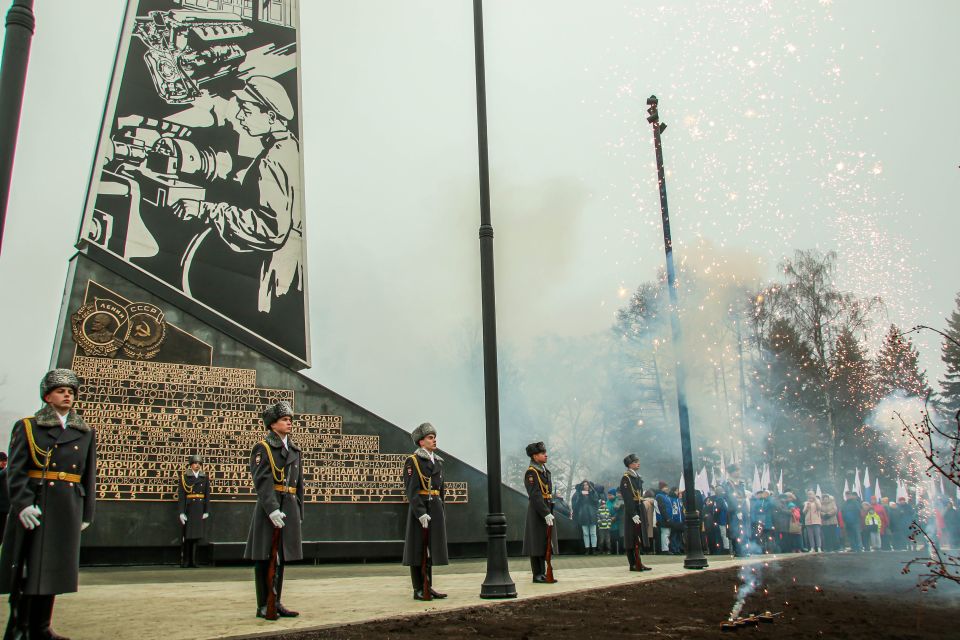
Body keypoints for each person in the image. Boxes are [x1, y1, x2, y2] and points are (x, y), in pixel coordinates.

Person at [173, 76, 304, 349]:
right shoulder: (288, 147)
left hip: (279, 272)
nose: (240, 116)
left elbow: (271, 229)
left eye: (247, 109)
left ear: (270, 116)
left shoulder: (273, 159)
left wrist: (206, 209)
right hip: (287, 268)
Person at [0, 369, 97, 640]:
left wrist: (86, 512)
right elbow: (16, 471)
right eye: (61, 391)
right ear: (47, 396)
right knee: (27, 569)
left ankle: (42, 628)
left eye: (71, 392)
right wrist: (22, 504)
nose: (67, 395)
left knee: (53, 570)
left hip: (66, 506)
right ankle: (20, 627)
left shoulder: (84, 431)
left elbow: (88, 475)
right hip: (37, 504)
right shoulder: (29, 426)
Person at [244, 401, 303, 619]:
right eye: (284, 420)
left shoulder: (294, 449)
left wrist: (299, 511)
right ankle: (263, 604)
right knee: (265, 557)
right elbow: (262, 481)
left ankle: (276, 601)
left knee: (281, 557)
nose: (288, 423)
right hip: (270, 508)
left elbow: (299, 485)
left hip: (288, 504)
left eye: (289, 420)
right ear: (272, 425)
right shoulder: (264, 447)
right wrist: (272, 509)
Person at [402, 423, 448, 600]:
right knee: (418, 549)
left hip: (434, 507)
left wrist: (441, 510)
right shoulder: (413, 461)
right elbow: (411, 490)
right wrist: (420, 512)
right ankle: (418, 588)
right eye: (430, 437)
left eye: (434, 436)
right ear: (421, 442)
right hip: (421, 509)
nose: (434, 439)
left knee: (430, 549)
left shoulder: (438, 461)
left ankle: (428, 584)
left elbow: (441, 490)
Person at [522, 442, 557, 583]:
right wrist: (545, 512)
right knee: (536, 543)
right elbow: (535, 495)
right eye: (543, 453)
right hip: (538, 511)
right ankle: (537, 574)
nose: (546, 455)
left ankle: (543, 573)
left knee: (545, 542)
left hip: (547, 508)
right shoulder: (532, 472)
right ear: (535, 456)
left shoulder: (545, 471)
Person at [619, 454, 652, 571]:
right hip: (631, 510)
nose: (638, 463)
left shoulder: (637, 477)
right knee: (631, 537)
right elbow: (627, 497)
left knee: (638, 536)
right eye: (636, 461)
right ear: (630, 464)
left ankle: (639, 561)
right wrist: (633, 514)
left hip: (638, 507)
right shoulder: (626, 478)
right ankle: (633, 563)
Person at [177, 454, 211, 568]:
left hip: (199, 508)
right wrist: (181, 512)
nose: (197, 465)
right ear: (191, 465)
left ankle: (194, 561)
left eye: (199, 463)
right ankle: (186, 561)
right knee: (187, 536)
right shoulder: (185, 477)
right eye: (195, 463)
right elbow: (182, 496)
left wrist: (206, 510)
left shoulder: (204, 477)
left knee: (196, 536)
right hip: (189, 508)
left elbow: (207, 495)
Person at [721, 464, 748, 556]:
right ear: (731, 472)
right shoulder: (727, 484)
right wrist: (736, 509)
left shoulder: (741, 484)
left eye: (739, 470)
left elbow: (743, 497)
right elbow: (728, 498)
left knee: (743, 530)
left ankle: (743, 550)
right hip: (733, 511)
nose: (738, 472)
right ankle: (737, 550)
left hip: (742, 510)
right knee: (734, 531)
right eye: (736, 471)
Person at [572, 480, 600, 554]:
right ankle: (587, 549)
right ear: (582, 486)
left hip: (592, 515)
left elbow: (596, 503)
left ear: (589, 486)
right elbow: (575, 506)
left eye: (587, 485)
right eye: (584, 485)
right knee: (585, 533)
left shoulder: (593, 493)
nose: (586, 486)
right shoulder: (578, 494)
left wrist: (590, 495)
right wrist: (580, 496)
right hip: (583, 516)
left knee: (593, 533)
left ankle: (594, 549)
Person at [0, 452, 8, 540]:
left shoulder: (5, 472)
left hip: (4, 507)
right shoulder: (4, 472)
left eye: (5, 461)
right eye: (2, 461)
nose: (4, 463)